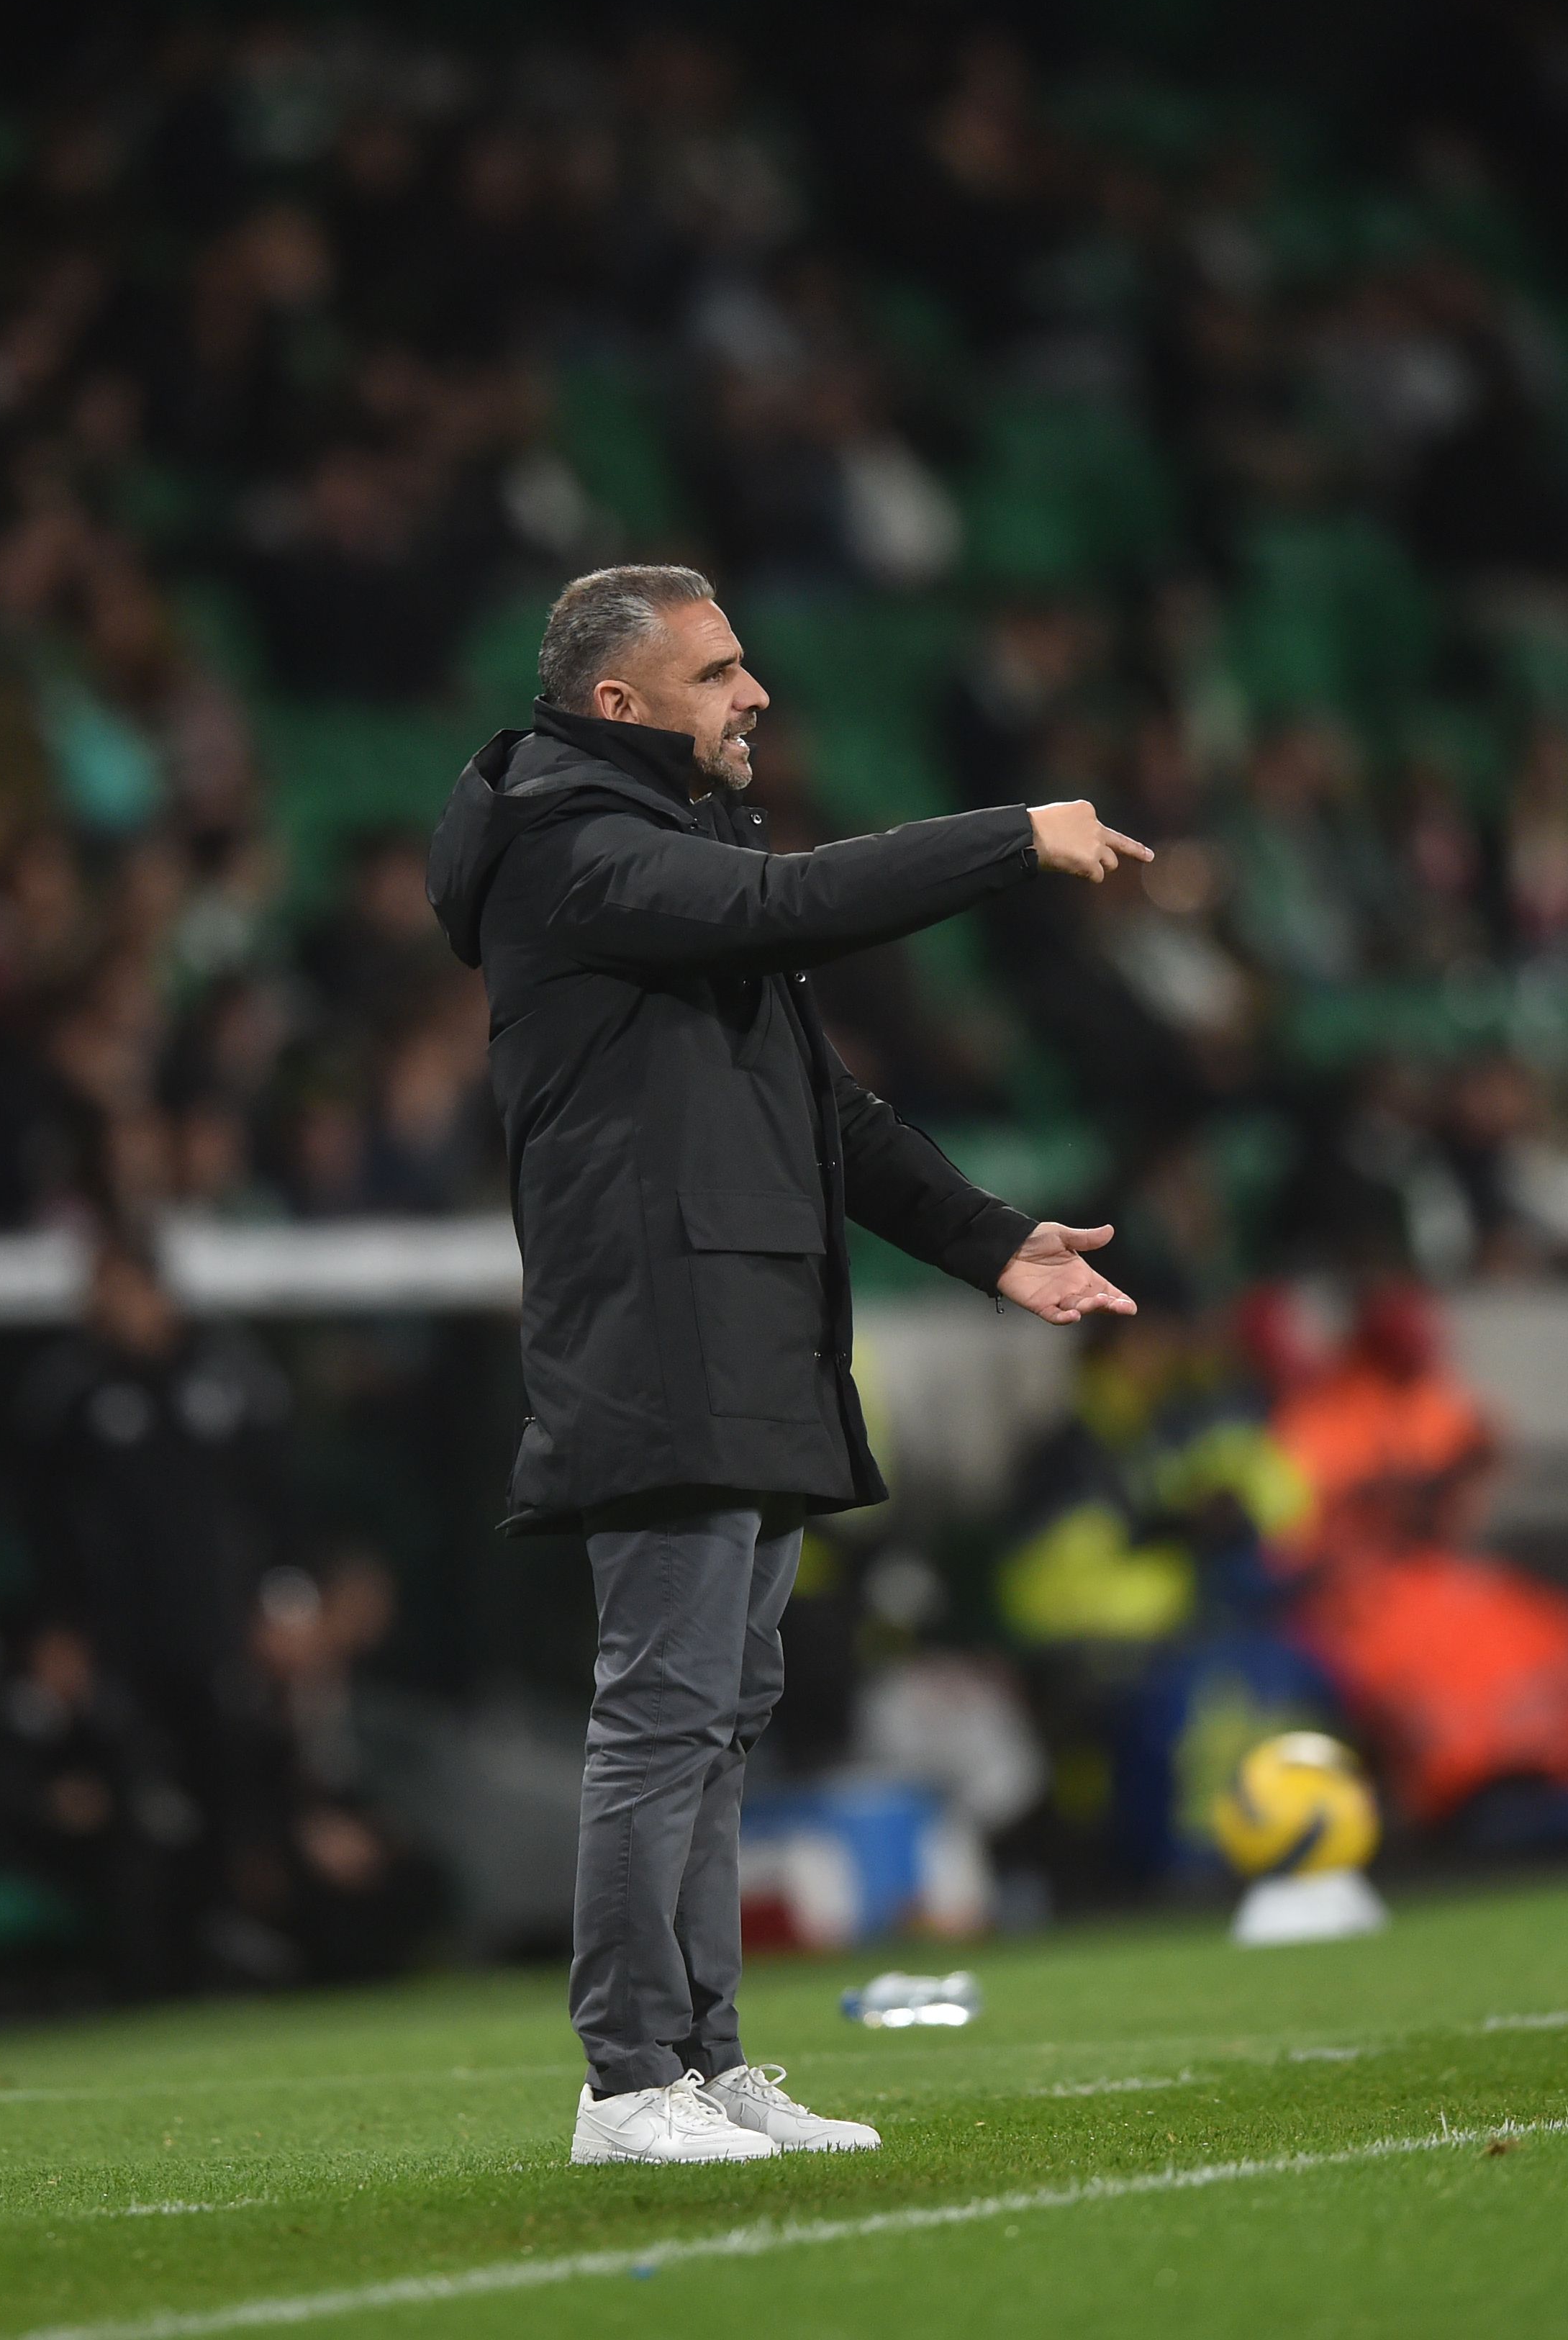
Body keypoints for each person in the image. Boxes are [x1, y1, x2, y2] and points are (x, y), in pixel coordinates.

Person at [427, 563, 1148, 2166]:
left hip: (747, 1322)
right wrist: (1007, 832)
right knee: (664, 1709)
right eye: (718, 672)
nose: (755, 694)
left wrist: (990, 1239)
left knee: (725, 1712)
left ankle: (705, 2054)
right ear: (619, 703)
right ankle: (625, 2079)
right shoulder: (570, 849)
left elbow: (826, 1115)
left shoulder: (667, 849)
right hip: (658, 1327)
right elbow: (790, 909)